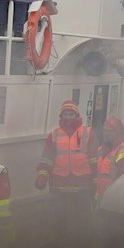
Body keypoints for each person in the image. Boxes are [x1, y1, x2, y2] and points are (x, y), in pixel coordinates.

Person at [37, 100, 95, 236]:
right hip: (60, 185)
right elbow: (47, 158)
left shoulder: (88, 133)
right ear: (61, 116)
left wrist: (96, 181)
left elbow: (95, 159)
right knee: (60, 220)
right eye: (66, 114)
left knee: (83, 221)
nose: (68, 117)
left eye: (71, 114)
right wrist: (42, 176)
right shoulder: (54, 134)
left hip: (83, 186)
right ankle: (62, 244)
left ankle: (83, 244)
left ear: (77, 115)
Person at [94, 117, 124, 201]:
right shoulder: (100, 150)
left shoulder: (123, 153)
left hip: (113, 200)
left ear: (118, 133)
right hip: (100, 199)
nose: (106, 134)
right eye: (105, 130)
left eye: (110, 131)